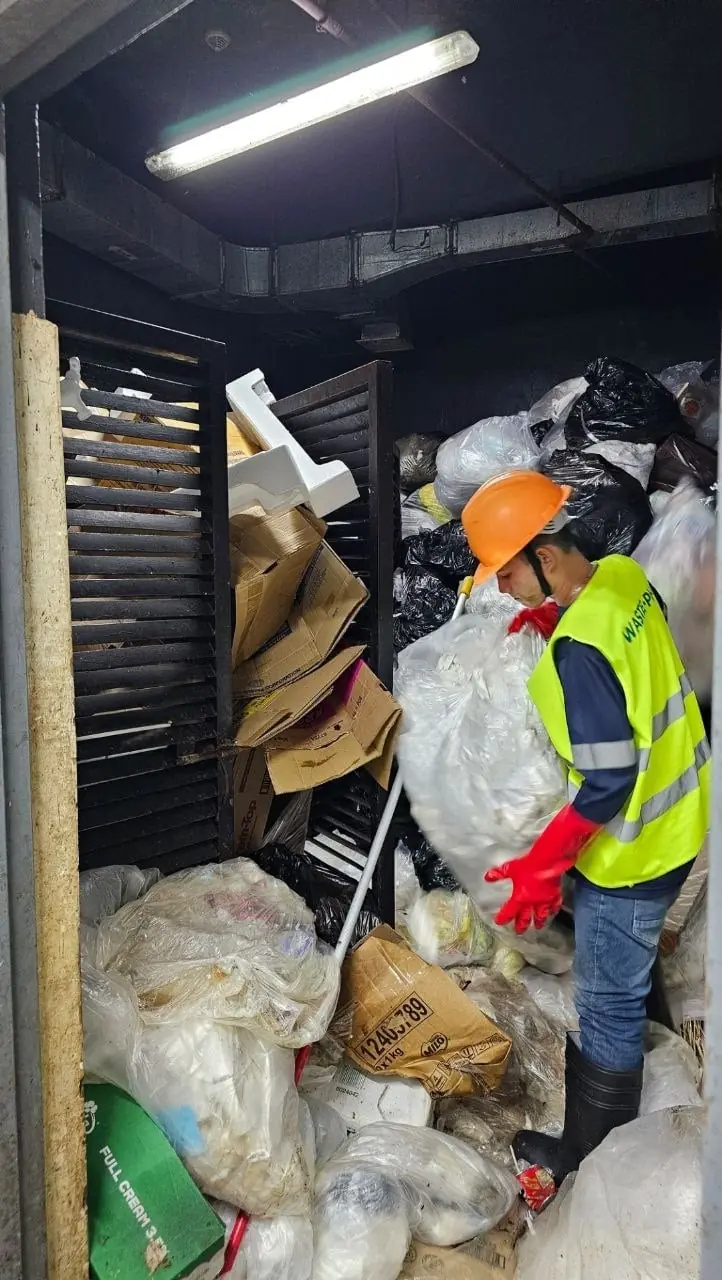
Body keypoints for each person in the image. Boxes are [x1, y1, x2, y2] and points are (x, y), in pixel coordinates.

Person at [461, 469, 711, 1184]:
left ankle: (592, 1166)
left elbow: (608, 779)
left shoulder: (578, 654)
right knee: (626, 983)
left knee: (606, 1005)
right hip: (685, 816)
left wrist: (544, 864)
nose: (502, 587)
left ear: (547, 553)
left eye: (508, 572)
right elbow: (638, 665)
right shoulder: (624, 577)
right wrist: (552, 617)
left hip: (632, 856)